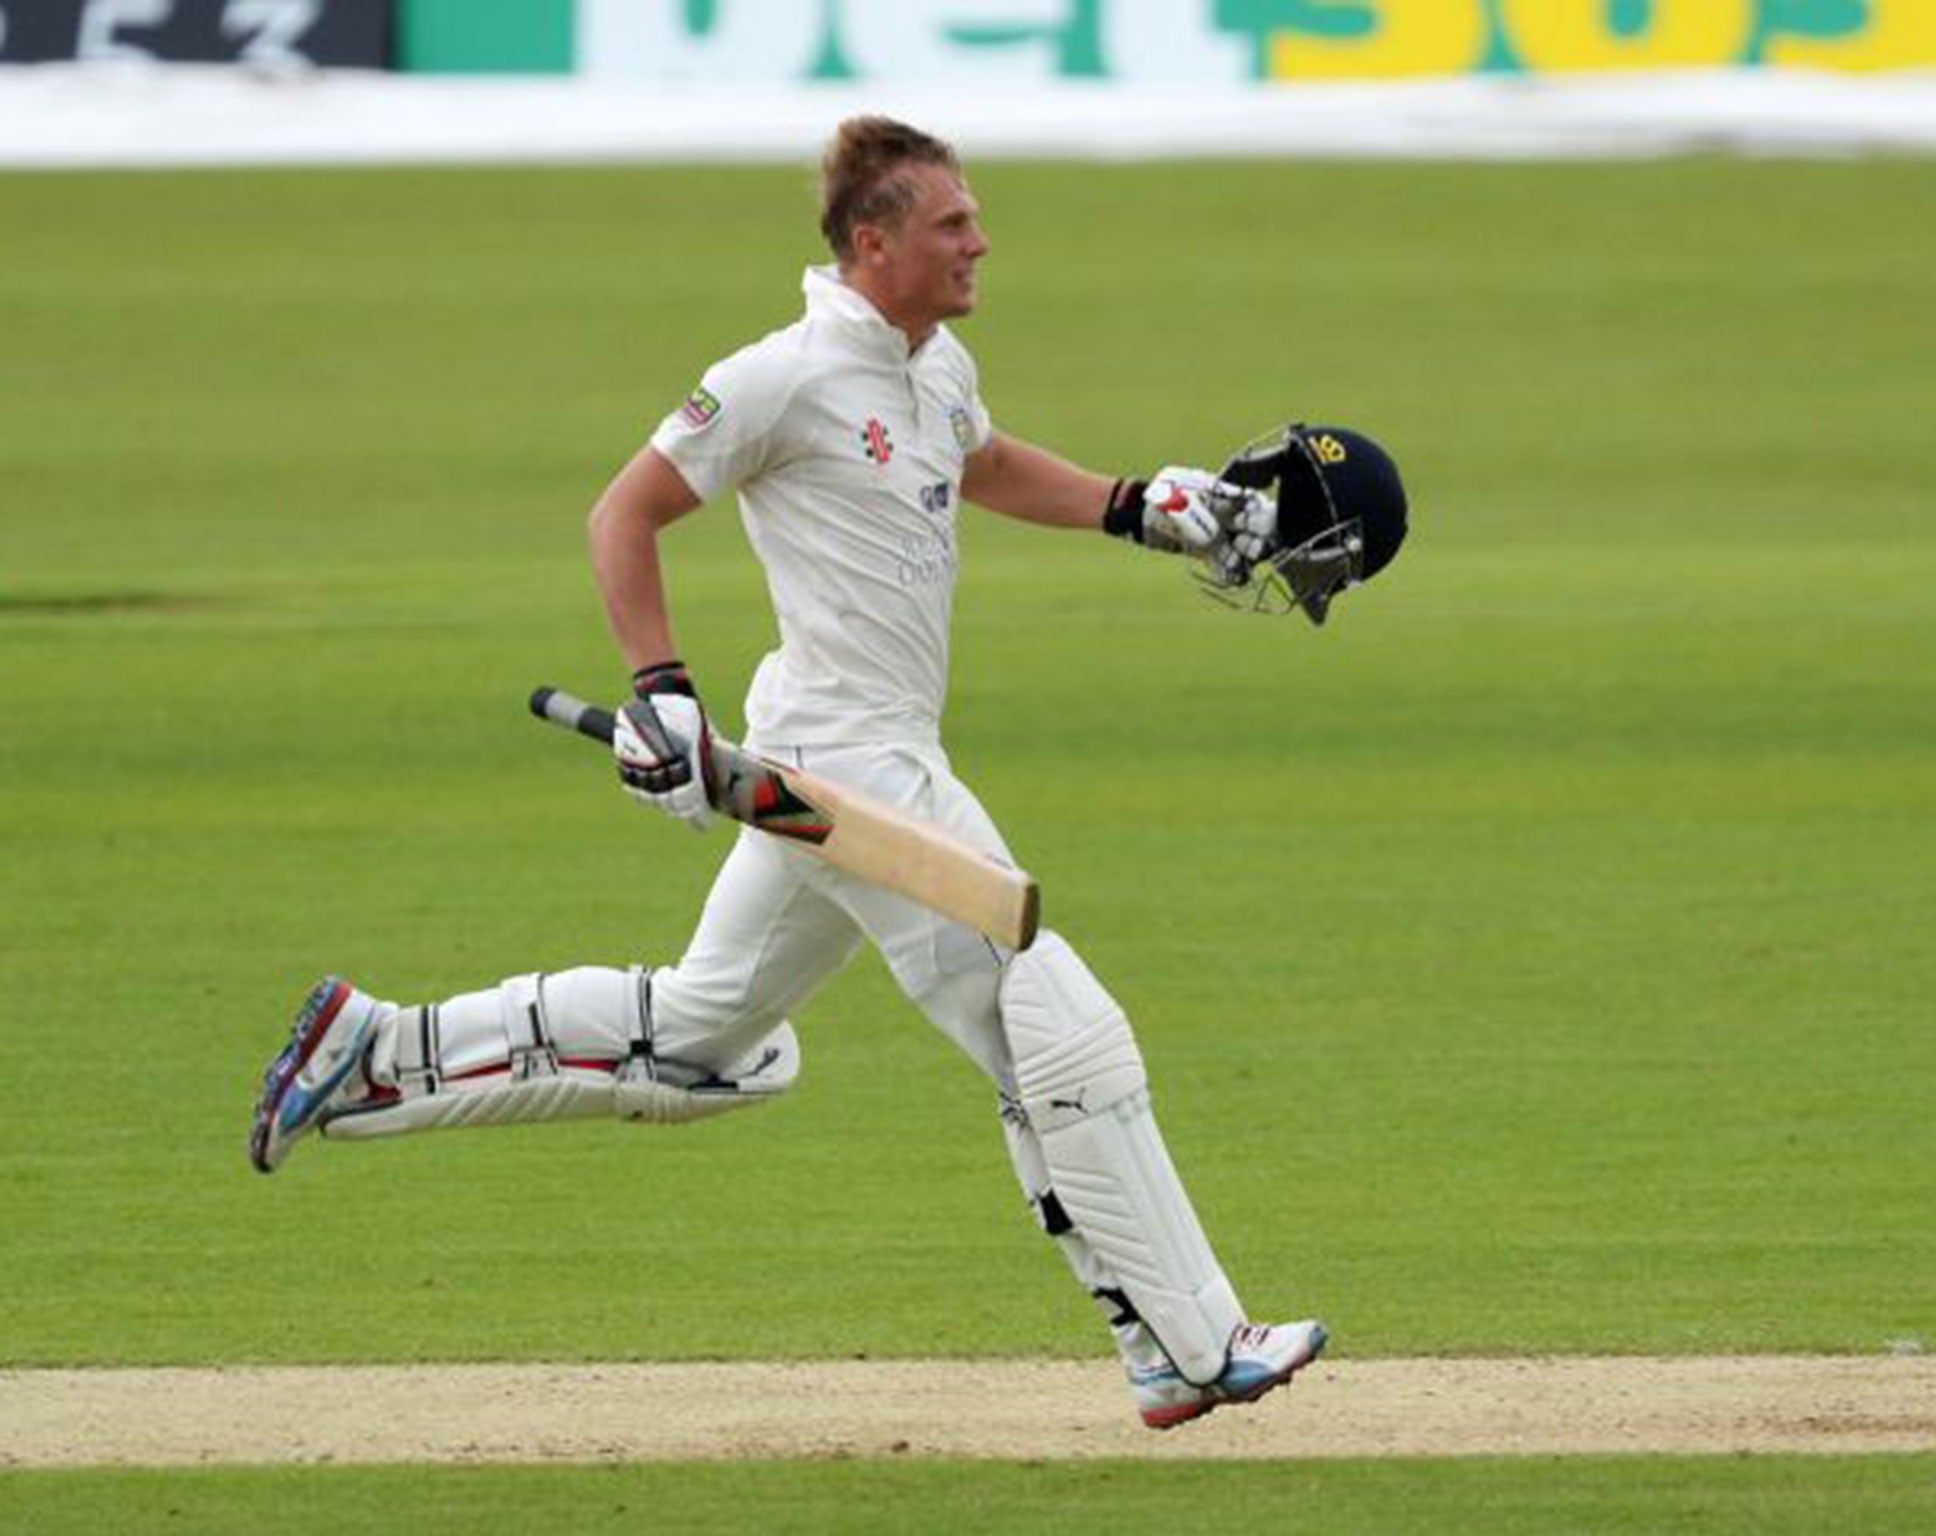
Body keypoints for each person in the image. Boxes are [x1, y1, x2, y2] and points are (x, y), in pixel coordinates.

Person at [249, 116, 1326, 1430]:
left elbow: (980, 463)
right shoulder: (782, 375)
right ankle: (1196, 1340)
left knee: (708, 1036)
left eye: (975, 220)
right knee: (1054, 1020)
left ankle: (375, 1047)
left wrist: (1127, 506)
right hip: (846, 765)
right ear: (873, 244)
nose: (980, 241)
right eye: (951, 225)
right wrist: (660, 695)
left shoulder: (935, 367)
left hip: (860, 755)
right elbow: (622, 514)